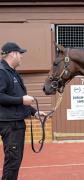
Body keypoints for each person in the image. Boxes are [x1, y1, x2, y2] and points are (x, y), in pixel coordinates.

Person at [0, 42, 46, 180]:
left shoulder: (12, 72)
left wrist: (34, 112)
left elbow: (16, 97)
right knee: (13, 161)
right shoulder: (2, 72)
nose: (21, 57)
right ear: (12, 53)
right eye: (20, 54)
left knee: (15, 160)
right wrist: (21, 100)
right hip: (10, 124)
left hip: (15, 123)